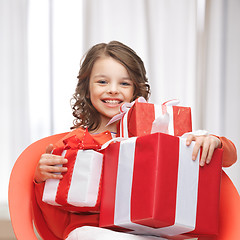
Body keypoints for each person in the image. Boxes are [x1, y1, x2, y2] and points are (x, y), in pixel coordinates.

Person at [34, 41, 237, 240]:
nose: (113, 90)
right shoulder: (76, 142)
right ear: (87, 89)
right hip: (89, 231)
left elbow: (228, 158)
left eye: (124, 83)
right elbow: (54, 213)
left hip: (146, 231)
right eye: (102, 82)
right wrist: (42, 178)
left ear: (136, 91)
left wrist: (214, 142)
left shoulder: (154, 137)